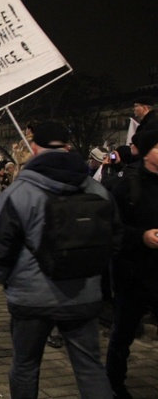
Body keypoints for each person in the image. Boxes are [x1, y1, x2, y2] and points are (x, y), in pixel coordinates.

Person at [0, 121, 118, 399]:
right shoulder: (95, 190)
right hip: (83, 295)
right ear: (68, 147)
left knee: (25, 366)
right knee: (90, 370)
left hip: (31, 299)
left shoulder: (19, 192)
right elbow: (113, 240)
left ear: (34, 148)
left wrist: (7, 281)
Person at [106, 130, 158, 399]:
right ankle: (114, 384)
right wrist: (142, 236)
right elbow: (112, 229)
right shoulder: (126, 183)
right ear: (148, 151)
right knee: (124, 332)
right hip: (132, 271)